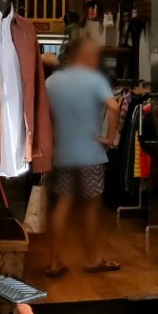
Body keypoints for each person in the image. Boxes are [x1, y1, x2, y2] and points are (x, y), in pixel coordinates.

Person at [44, 35, 121, 275]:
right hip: (91, 154)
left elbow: (43, 116)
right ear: (84, 55)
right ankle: (91, 258)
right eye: (94, 53)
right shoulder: (95, 80)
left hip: (62, 153)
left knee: (63, 203)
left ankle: (55, 261)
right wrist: (110, 138)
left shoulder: (52, 81)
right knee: (91, 205)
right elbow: (114, 106)